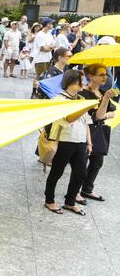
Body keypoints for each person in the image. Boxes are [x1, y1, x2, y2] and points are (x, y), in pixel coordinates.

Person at [44, 70, 92, 216]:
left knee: (81, 173)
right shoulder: (59, 99)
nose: (83, 83)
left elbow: (86, 123)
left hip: (80, 142)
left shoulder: (81, 99)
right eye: (81, 81)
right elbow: (68, 119)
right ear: (72, 82)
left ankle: (70, 202)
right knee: (57, 172)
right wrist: (86, 107)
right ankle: (49, 200)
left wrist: (89, 142)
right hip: (64, 141)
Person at [79, 64, 117, 202]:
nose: (105, 77)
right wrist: (106, 103)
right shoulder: (83, 93)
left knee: (97, 162)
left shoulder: (101, 91)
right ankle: (75, 191)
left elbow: (112, 110)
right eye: (101, 74)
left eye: (105, 74)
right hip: (86, 131)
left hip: (99, 131)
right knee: (81, 164)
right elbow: (98, 116)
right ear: (90, 76)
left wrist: (105, 100)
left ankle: (87, 189)